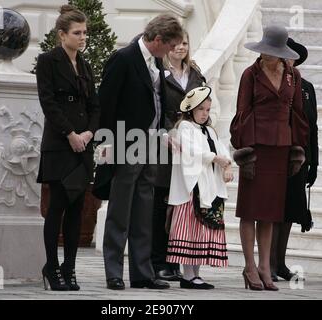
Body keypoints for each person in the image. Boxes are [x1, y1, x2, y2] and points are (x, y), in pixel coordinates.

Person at [95, 14, 183, 290]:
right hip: (126, 142)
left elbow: (156, 101)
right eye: (169, 46)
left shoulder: (156, 60)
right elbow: (106, 103)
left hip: (152, 143)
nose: (171, 52)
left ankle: (143, 273)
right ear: (157, 40)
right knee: (120, 210)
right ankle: (113, 272)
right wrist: (105, 142)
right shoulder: (123, 59)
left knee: (144, 211)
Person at [230, 25, 309, 291]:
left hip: (281, 149)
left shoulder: (292, 76)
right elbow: (242, 112)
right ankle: (250, 267)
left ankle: (266, 266)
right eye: (267, 51)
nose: (270, 56)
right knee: (250, 210)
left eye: (275, 52)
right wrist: (246, 152)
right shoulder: (250, 74)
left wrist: (297, 150)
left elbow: (298, 114)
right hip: (256, 148)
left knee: (270, 213)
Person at [36, 5, 100, 291]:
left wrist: (88, 133)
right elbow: (48, 102)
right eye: (77, 33)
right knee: (58, 208)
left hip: (82, 146)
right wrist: (70, 133)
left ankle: (70, 268)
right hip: (60, 146)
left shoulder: (85, 65)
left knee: (77, 209)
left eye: (85, 32)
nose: (83, 37)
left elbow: (95, 105)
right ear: (62, 35)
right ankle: (51, 267)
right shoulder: (47, 61)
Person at [151, 30, 206, 282]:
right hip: (166, 145)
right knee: (162, 203)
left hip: (190, 148)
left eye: (185, 42)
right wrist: (166, 132)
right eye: (176, 43)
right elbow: (156, 106)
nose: (180, 47)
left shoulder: (195, 73)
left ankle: (176, 261)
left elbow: (205, 106)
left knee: (182, 204)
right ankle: (158, 260)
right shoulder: (157, 71)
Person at [166, 86, 233, 289]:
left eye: (207, 109)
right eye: (201, 109)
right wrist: (215, 158)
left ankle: (195, 274)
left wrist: (227, 164)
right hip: (193, 189)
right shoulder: (185, 128)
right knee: (190, 230)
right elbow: (191, 151)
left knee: (201, 232)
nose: (205, 113)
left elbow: (222, 149)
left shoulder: (210, 131)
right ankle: (187, 275)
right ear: (191, 110)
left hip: (209, 186)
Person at [270, 38, 319, 282]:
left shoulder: (307, 87)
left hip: (300, 157)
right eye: (284, 56)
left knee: (291, 211)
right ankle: (268, 262)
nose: (289, 60)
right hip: (278, 154)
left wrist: (314, 163)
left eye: (292, 56)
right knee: (275, 211)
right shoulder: (274, 85)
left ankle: (280, 262)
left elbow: (313, 127)